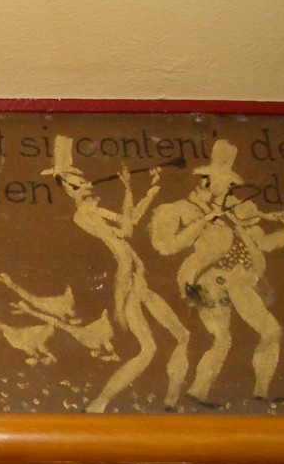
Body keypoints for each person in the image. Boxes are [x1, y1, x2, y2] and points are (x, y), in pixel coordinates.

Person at [149, 139, 284, 406]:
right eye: (226, 183)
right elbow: (166, 246)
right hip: (211, 280)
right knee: (221, 339)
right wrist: (204, 221)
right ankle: (197, 392)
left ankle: (260, 392)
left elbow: (262, 243)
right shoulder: (181, 209)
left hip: (239, 280)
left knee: (271, 331)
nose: (230, 189)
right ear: (207, 181)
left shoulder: (235, 212)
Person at [43, 135, 189, 413]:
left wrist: (143, 191)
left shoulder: (93, 210)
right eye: (76, 184)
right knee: (147, 349)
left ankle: (171, 400)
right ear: (68, 190)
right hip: (128, 280)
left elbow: (128, 227)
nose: (85, 185)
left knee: (182, 335)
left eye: (83, 180)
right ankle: (99, 403)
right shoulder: (83, 214)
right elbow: (125, 232)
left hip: (138, 278)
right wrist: (121, 303)